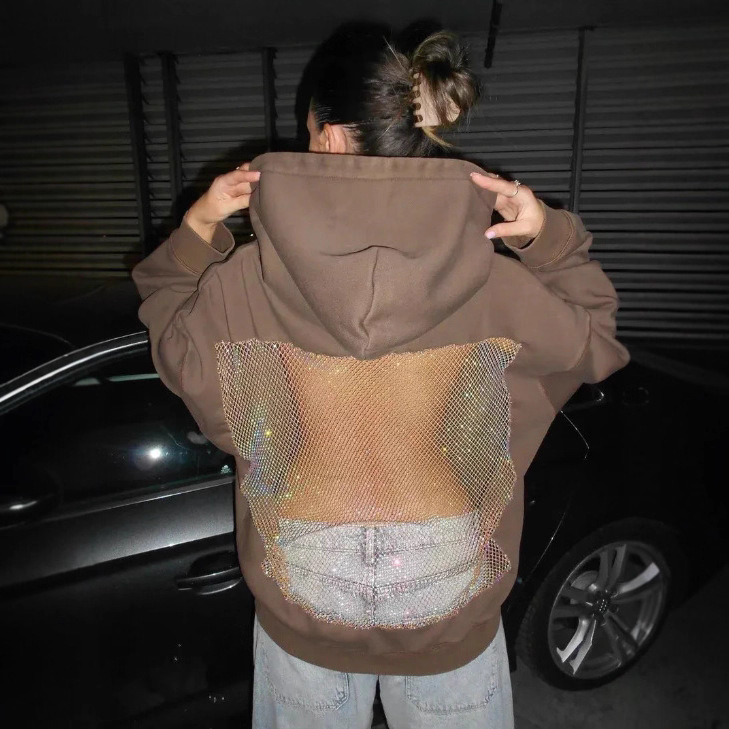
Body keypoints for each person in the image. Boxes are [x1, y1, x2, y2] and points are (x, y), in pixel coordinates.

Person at [132, 26, 629, 729]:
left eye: (308, 133)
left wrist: (195, 230)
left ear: (332, 138)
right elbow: (597, 341)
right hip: (447, 597)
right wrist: (547, 238)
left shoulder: (241, 282)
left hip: (302, 589)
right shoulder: (496, 283)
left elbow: (173, 339)